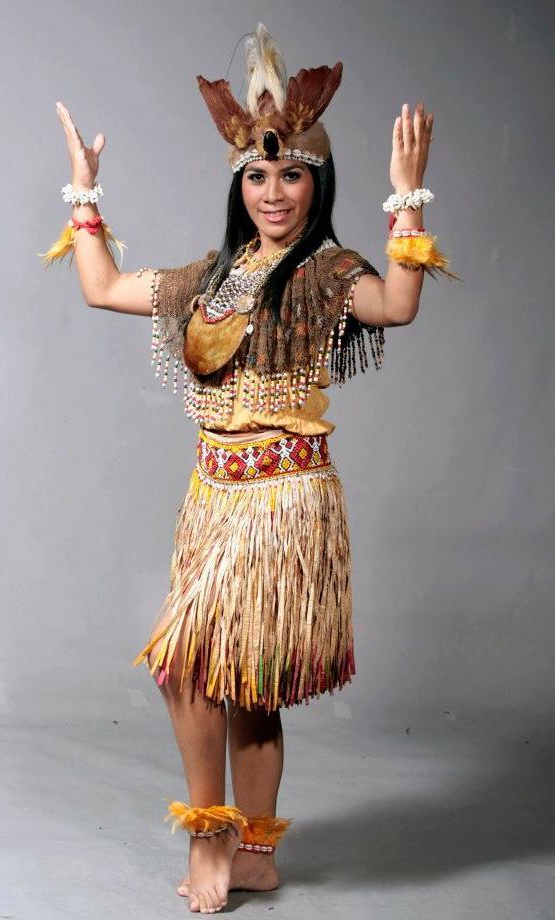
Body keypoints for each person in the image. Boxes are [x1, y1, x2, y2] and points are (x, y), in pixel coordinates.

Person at [40, 23, 458, 915]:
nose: (274, 192)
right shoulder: (211, 278)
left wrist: (406, 197)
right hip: (214, 500)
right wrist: (84, 189)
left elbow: (399, 304)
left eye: (292, 175)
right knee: (227, 675)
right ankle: (248, 849)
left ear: (318, 184)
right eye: (258, 176)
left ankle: (224, 844)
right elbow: (102, 287)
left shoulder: (331, 274)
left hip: (284, 502)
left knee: (223, 674)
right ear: (239, 183)